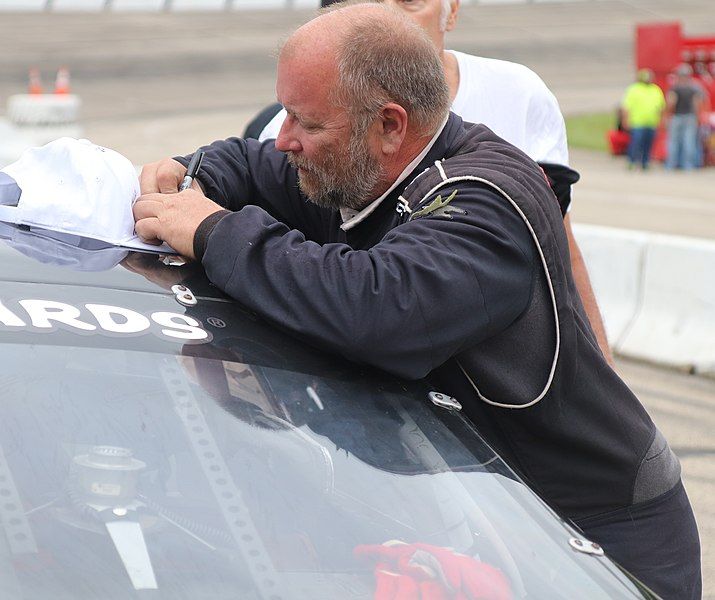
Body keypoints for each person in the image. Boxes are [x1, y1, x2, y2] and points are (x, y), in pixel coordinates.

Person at [134, 3, 701, 597]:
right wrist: (187, 171)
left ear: (389, 126)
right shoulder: (353, 166)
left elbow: (376, 310)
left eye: (306, 123)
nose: (285, 140)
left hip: (596, 529)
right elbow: (251, 163)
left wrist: (213, 231)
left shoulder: (488, 197)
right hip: (485, 512)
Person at [246, 0, 614, 366]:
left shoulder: (519, 95)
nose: (387, 13)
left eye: (409, 1)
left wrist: (604, 370)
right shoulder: (287, 126)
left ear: (450, 11)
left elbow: (561, 250)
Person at [621, 68, 666, 170]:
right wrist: (625, 120)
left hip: (651, 122)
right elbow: (626, 107)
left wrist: (662, 121)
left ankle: (645, 163)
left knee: (648, 144)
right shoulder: (633, 89)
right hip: (637, 122)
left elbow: (661, 107)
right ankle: (631, 161)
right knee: (636, 143)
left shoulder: (655, 90)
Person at [666, 63, 704, 171]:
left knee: (674, 142)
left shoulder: (675, 88)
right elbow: (697, 103)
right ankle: (688, 166)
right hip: (690, 117)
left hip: (677, 117)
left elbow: (671, 103)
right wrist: (697, 117)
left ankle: (671, 165)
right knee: (689, 141)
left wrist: (668, 116)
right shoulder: (694, 88)